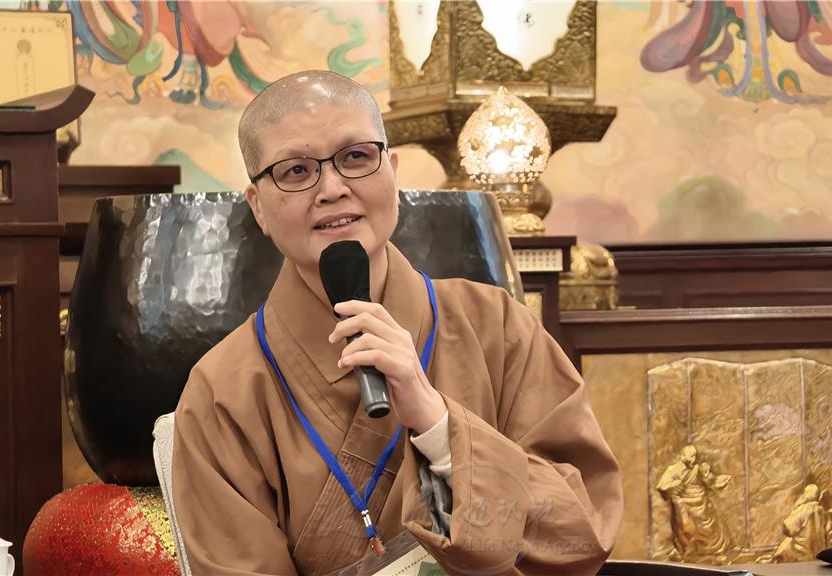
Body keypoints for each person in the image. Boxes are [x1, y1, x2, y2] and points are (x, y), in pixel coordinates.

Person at [172, 70, 623, 576]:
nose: (332, 188)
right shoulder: (221, 391)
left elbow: (580, 532)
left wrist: (439, 428)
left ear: (393, 170)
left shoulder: (497, 326)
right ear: (257, 206)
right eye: (296, 171)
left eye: (356, 157)